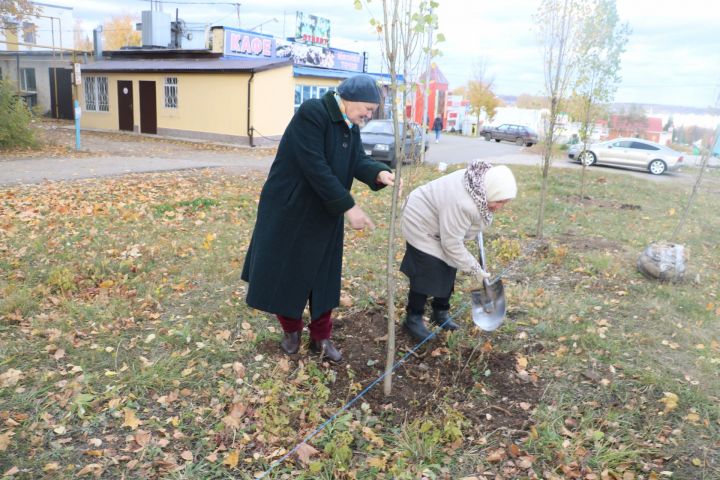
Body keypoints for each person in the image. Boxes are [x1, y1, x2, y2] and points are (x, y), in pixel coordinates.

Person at [241, 74, 395, 362]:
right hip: (292, 209)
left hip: (326, 209)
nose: (368, 115)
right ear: (350, 99)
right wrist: (349, 206)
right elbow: (315, 165)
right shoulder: (313, 113)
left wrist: (377, 171)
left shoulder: (350, 125)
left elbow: (357, 159)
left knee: (324, 276)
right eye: (368, 109)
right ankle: (292, 332)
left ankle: (321, 337)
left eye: (372, 111)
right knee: (289, 272)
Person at [399, 160, 517, 340]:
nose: (499, 207)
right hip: (420, 220)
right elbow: (452, 244)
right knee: (427, 267)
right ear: (491, 192)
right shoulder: (463, 202)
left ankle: (440, 312)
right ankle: (413, 318)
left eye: (505, 203)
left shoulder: (480, 185)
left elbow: (457, 240)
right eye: (499, 201)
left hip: (441, 220)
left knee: (450, 263)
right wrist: (475, 269)